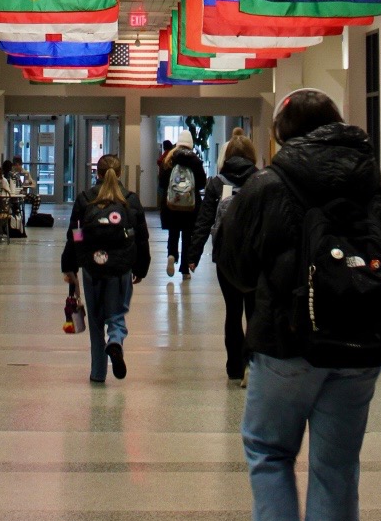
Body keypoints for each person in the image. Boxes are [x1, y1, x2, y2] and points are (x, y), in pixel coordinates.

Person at [216, 89, 381, 521]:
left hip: (286, 344)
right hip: (360, 344)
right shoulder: (376, 186)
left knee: (267, 448)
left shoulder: (268, 185)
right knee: (336, 467)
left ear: (283, 134)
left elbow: (236, 266)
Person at [61, 154, 150, 383]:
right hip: (121, 267)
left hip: (93, 266)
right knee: (117, 314)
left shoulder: (85, 199)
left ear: (97, 173)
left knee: (95, 320)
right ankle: (116, 342)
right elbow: (141, 238)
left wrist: (70, 265)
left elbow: (76, 235)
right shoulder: (130, 200)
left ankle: (98, 373)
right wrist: (141, 267)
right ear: (119, 174)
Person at [187, 129, 259, 382]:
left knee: (232, 310)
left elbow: (204, 221)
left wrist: (193, 255)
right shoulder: (261, 180)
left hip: (226, 256)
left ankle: (234, 367)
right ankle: (253, 363)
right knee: (254, 310)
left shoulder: (216, 183)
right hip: (255, 257)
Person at [160, 132, 206, 279]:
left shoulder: (169, 159)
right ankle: (185, 269)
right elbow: (201, 184)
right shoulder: (195, 161)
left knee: (173, 233)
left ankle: (171, 255)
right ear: (191, 144)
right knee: (187, 236)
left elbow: (162, 183)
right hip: (190, 206)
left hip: (172, 205)